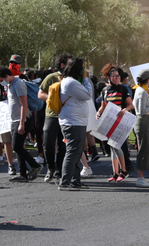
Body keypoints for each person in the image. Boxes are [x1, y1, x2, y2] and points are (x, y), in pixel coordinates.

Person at [0, 64, 41, 181]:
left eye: (1, 80)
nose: (1, 83)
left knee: (16, 146)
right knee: (19, 146)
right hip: (15, 120)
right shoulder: (11, 85)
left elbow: (24, 104)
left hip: (22, 120)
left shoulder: (18, 84)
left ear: (6, 76)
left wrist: (22, 123)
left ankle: (35, 165)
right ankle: (23, 173)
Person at [57, 58, 94, 190]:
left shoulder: (69, 81)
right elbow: (88, 95)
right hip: (73, 122)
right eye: (83, 67)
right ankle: (65, 181)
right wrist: (85, 79)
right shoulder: (71, 83)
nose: (85, 70)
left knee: (77, 152)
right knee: (73, 152)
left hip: (76, 121)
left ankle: (75, 180)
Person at [37, 54, 71, 183]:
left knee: (63, 145)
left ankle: (59, 172)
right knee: (48, 143)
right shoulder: (51, 77)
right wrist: (52, 100)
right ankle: (50, 168)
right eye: (69, 63)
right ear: (62, 64)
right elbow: (40, 94)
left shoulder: (72, 79)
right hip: (51, 115)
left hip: (66, 116)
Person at [98, 63, 134, 183]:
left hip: (120, 122)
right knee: (112, 147)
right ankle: (115, 172)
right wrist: (97, 114)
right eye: (114, 76)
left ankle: (124, 170)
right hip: (109, 122)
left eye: (118, 76)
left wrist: (124, 110)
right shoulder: (105, 90)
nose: (117, 78)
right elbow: (103, 106)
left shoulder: (123, 88)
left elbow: (131, 104)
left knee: (117, 146)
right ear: (108, 77)